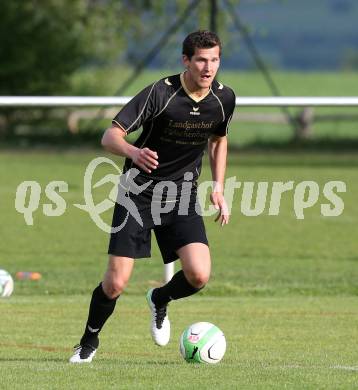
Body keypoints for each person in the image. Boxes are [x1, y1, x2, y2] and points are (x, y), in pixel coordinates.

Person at [70, 30, 236, 363]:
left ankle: (159, 299)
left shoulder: (223, 98)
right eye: (201, 60)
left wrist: (218, 186)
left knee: (199, 275)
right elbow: (110, 135)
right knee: (116, 282)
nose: (208, 67)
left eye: (214, 59)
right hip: (138, 194)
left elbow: (218, 139)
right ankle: (88, 341)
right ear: (186, 60)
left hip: (182, 194)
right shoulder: (160, 93)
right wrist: (134, 151)